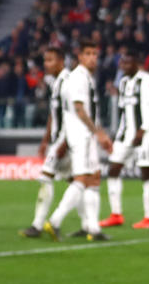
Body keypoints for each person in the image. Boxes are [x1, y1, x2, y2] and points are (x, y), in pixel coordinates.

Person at [43, 41, 113, 241]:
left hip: (83, 135)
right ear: (80, 57)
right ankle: (55, 221)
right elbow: (79, 110)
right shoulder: (78, 78)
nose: (92, 58)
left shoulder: (83, 77)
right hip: (81, 134)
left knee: (94, 179)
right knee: (81, 179)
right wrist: (98, 133)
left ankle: (92, 228)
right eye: (88, 53)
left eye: (95, 54)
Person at [99, 48, 149, 230]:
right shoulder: (124, 82)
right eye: (122, 62)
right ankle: (116, 214)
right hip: (126, 135)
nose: (123, 65)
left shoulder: (148, 80)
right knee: (113, 170)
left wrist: (142, 130)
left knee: (146, 174)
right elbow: (124, 112)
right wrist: (117, 134)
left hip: (146, 135)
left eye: (127, 62)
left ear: (137, 63)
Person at [19, 47, 76, 237]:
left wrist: (64, 143)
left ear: (61, 61)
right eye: (45, 60)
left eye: (50, 60)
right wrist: (45, 139)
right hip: (58, 140)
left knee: (46, 177)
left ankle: (37, 225)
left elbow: (72, 115)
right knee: (75, 182)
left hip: (65, 141)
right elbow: (54, 114)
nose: (46, 64)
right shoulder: (56, 82)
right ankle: (87, 225)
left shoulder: (68, 81)